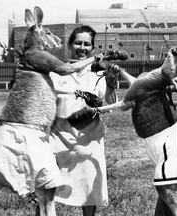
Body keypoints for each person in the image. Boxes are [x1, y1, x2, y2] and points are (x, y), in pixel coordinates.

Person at [48, 25, 132, 216]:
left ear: (93, 49)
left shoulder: (99, 73)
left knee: (89, 193)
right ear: (70, 45)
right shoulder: (56, 72)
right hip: (57, 140)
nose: (82, 48)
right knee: (46, 193)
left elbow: (108, 105)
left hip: (89, 140)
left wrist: (110, 84)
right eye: (78, 43)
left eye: (87, 44)